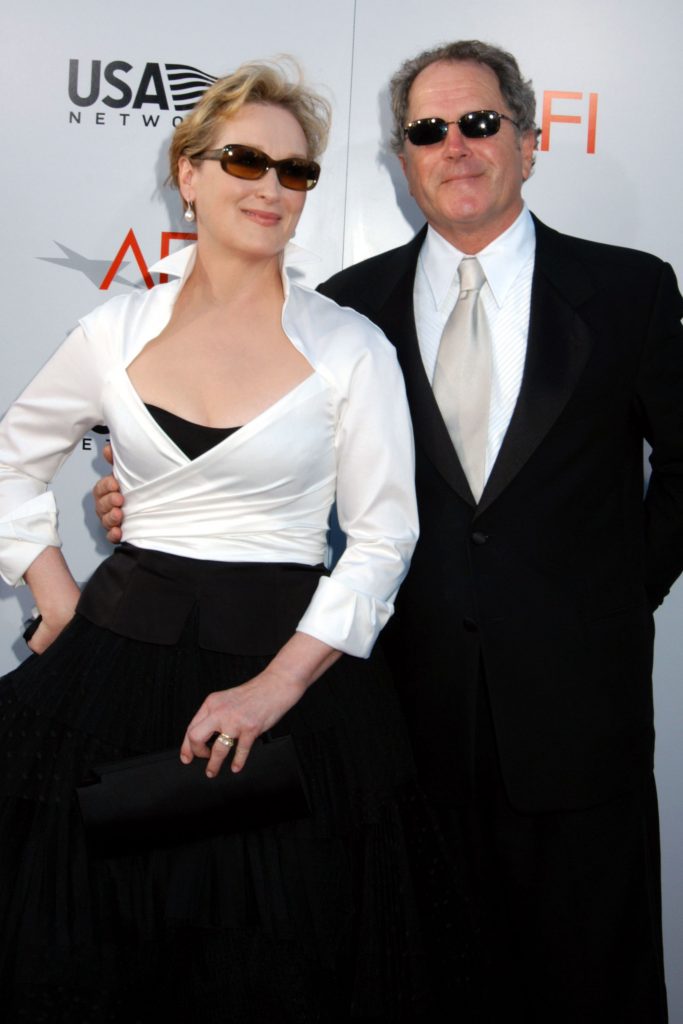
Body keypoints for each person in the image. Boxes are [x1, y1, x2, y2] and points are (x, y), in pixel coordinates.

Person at [96, 38, 683, 1023]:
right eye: (426, 130)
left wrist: (621, 595)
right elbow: (278, 479)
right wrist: (150, 500)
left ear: (528, 141)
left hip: (579, 723)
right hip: (399, 722)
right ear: (401, 157)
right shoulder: (344, 310)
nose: (454, 145)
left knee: (592, 987)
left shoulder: (629, 290)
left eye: (478, 122)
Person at [0, 59, 471, 1022]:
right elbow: (14, 464)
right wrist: (53, 591)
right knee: (99, 958)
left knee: (272, 968)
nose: (271, 188)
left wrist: (274, 689)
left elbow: (383, 539)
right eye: (245, 161)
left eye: (295, 171)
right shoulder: (113, 331)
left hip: (290, 685)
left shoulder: (349, 347)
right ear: (189, 172)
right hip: (113, 672)